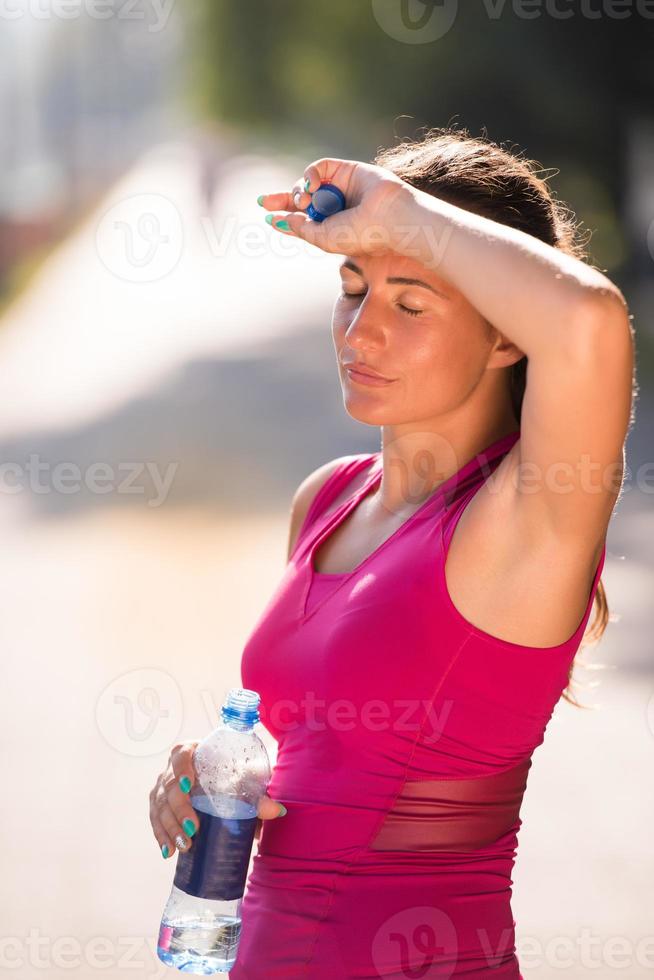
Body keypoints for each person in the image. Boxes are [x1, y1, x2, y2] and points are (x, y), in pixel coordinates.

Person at [148, 127, 635, 978]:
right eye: (352, 288)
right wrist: (209, 782)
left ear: (507, 336)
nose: (361, 331)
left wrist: (402, 213)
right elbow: (328, 766)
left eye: (411, 304)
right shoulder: (329, 500)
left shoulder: (521, 522)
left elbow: (589, 319)